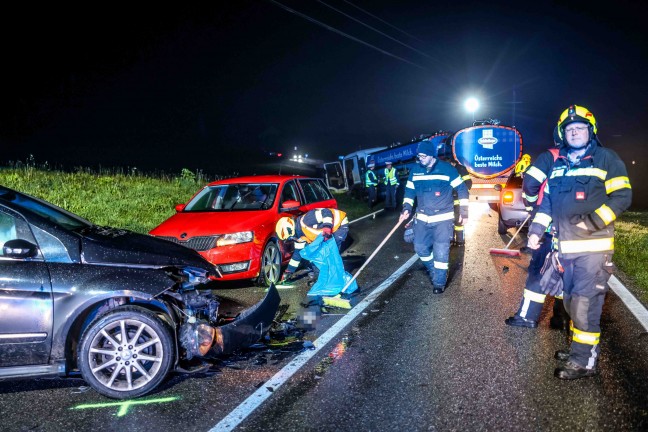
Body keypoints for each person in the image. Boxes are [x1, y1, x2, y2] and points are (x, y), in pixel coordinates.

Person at [526, 105, 632, 380]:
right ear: (562, 134)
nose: (574, 132)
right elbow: (547, 203)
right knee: (572, 302)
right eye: (569, 129)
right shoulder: (558, 165)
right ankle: (579, 350)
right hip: (565, 250)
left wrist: (592, 223)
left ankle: (584, 361)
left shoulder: (606, 158)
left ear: (591, 131)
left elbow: (622, 197)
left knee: (585, 305)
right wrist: (537, 230)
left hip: (593, 251)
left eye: (580, 128)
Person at [505, 129, 568, 329]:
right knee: (565, 271)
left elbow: (531, 183)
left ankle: (527, 317)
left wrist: (532, 205)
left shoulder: (550, 156)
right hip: (576, 229)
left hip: (548, 223)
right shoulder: (589, 159)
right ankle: (561, 318)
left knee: (539, 269)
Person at [399, 139, 469, 293]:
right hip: (422, 218)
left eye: (423, 156)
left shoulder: (447, 169)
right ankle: (433, 269)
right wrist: (406, 208)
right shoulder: (415, 170)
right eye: (418, 156)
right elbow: (409, 191)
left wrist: (464, 212)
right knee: (420, 247)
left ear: (431, 155)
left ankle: (439, 282)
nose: (420, 159)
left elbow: (462, 189)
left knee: (441, 252)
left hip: (443, 219)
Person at [275, 208, 349, 283]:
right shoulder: (300, 236)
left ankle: (336, 280)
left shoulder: (306, 220)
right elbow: (297, 255)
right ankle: (322, 278)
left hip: (339, 225)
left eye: (290, 238)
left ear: (290, 230)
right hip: (330, 230)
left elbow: (326, 212)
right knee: (318, 254)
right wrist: (288, 271)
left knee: (330, 253)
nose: (292, 240)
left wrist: (327, 227)